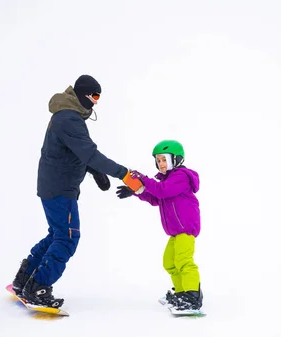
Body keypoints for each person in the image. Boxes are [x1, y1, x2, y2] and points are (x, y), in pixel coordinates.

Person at [11, 74, 132, 308]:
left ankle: (24, 279)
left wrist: (95, 171)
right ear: (83, 94)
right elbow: (89, 153)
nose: (96, 102)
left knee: (57, 234)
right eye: (94, 96)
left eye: (99, 97)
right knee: (67, 238)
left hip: (53, 185)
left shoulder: (66, 116)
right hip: (60, 188)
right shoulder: (69, 119)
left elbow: (74, 152)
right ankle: (38, 286)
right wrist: (123, 173)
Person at [115, 140, 203, 311]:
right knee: (169, 262)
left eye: (164, 159)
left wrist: (143, 179)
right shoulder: (166, 181)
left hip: (186, 228)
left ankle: (192, 295)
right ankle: (181, 292)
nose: (161, 164)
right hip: (176, 232)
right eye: (158, 160)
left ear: (176, 159)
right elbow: (156, 198)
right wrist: (136, 191)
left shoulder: (181, 176)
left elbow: (162, 190)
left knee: (184, 261)